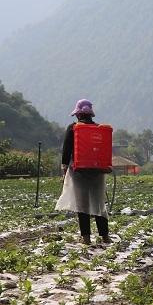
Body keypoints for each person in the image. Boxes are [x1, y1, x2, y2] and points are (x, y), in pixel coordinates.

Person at [55, 99, 111, 244]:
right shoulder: (99, 129)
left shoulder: (73, 128)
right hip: (97, 173)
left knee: (82, 206)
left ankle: (86, 238)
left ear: (78, 114)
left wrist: (64, 172)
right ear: (90, 114)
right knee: (99, 203)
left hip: (79, 172)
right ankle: (105, 237)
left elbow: (66, 152)